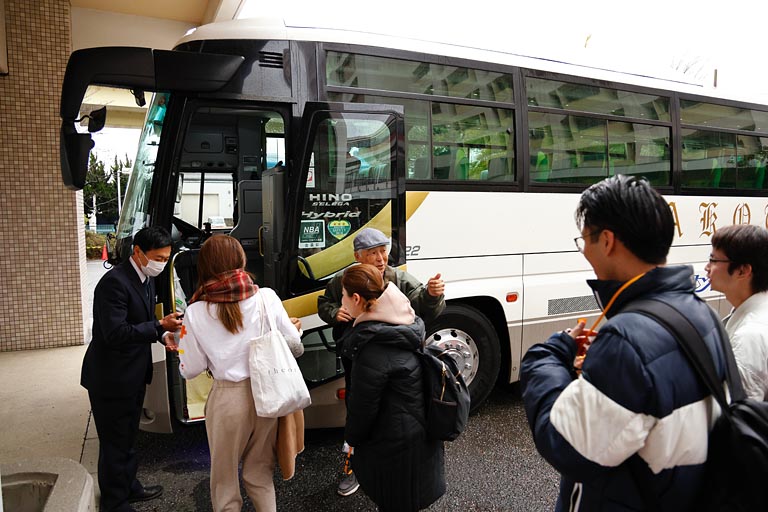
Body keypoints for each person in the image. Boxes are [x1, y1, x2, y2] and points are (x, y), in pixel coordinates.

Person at [520, 175, 728, 511]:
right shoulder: (699, 312)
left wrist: (551, 352)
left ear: (607, 241)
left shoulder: (627, 340)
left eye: (584, 239)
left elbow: (565, 445)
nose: (583, 250)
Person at [176, 235, 303, 512]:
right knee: (259, 473)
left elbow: (190, 369)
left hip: (227, 400)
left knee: (224, 480)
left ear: (205, 266)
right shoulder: (267, 297)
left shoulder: (196, 311)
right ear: (241, 261)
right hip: (267, 395)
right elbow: (295, 344)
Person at [317, 227, 445, 496]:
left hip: (390, 357)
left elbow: (422, 304)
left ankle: (387, 469)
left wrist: (433, 295)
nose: (380, 258)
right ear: (357, 256)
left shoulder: (396, 277)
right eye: (372, 253)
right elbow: (324, 303)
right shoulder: (344, 278)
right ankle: (354, 464)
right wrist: (333, 312)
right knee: (359, 403)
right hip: (356, 354)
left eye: (383, 251)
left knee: (391, 412)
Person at [81, 226, 183, 512]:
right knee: (114, 443)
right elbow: (115, 333)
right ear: (138, 252)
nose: (162, 263)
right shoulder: (114, 283)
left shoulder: (145, 278)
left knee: (127, 437)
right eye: (158, 258)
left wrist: (163, 336)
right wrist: (159, 326)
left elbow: (144, 319)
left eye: (166, 258)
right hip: (110, 377)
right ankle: (115, 502)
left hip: (133, 373)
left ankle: (129, 486)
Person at [340, 263, 445, 511]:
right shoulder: (403, 320)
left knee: (395, 501)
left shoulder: (372, 346)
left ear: (356, 298)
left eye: (343, 296)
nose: (341, 302)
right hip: (418, 431)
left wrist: (351, 441)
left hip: (393, 442)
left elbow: (362, 408)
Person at [706, 223, 768, 400]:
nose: (707, 267)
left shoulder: (750, 335)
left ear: (743, 271)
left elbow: (742, 409)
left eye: (713, 260)